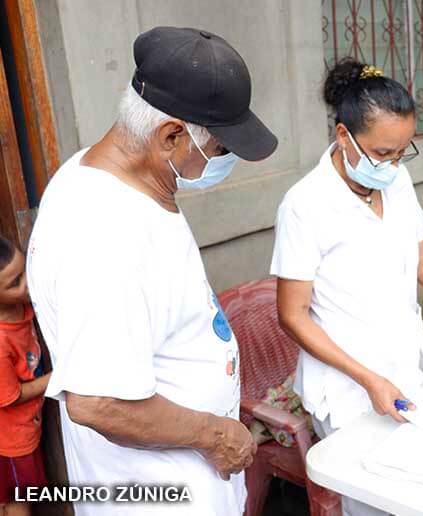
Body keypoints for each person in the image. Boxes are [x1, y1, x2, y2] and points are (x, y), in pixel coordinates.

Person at [26, 27, 277, 516]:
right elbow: (99, 402)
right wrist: (216, 434)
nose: (225, 161)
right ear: (171, 136)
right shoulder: (102, 231)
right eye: (221, 149)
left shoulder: (119, 180)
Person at [271, 58, 423, 516]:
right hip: (348, 390)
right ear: (343, 136)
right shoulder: (305, 205)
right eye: (382, 153)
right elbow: (292, 314)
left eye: (402, 152)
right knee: (375, 502)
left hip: (405, 373)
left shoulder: (397, 181)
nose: (393, 164)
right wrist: (368, 379)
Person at [0, 236, 49, 516]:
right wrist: (56, 378)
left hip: (25, 430)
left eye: (25, 270)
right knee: (18, 500)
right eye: (15, 282)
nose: (27, 282)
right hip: (10, 442)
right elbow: (11, 396)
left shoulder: (22, 307)